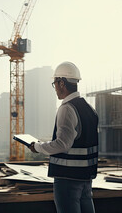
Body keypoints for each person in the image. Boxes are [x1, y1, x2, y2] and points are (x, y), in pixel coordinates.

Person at [28, 61, 99, 213]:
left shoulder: (67, 108)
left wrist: (37, 146)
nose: (55, 89)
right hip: (86, 177)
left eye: (55, 84)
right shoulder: (89, 109)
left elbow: (62, 144)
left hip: (68, 178)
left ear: (61, 83)